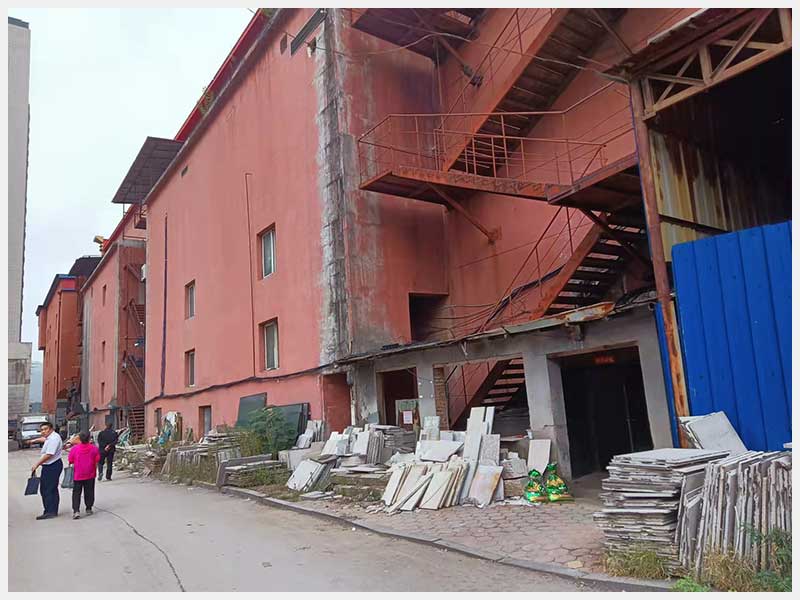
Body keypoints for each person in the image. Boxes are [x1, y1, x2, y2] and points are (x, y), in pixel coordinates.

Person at [30, 422, 63, 520]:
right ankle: (52, 510)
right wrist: (34, 440)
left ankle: (50, 511)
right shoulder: (51, 437)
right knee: (50, 488)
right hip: (51, 465)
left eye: (45, 429)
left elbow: (49, 454)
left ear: (51, 429)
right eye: (42, 430)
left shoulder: (54, 439)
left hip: (52, 465)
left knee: (47, 489)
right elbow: (44, 439)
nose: (43, 431)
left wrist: (37, 464)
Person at [67, 431, 100, 519]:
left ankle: (76, 511)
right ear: (89, 438)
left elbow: (70, 460)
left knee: (76, 493)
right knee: (89, 491)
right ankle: (88, 508)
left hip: (78, 474)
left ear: (79, 439)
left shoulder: (74, 449)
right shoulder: (94, 448)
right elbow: (97, 460)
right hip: (90, 473)